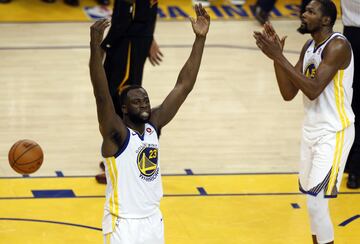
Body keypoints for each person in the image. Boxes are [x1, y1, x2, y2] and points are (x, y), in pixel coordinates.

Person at [89, 3, 210, 243]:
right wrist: (95, 46)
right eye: (137, 101)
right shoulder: (116, 133)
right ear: (123, 109)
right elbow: (101, 93)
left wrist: (200, 40)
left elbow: (183, 86)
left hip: (154, 220)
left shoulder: (154, 124)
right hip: (123, 223)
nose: (144, 103)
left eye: (145, 99)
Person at [253, 0, 354, 243]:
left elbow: (313, 89)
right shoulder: (309, 46)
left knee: (318, 205)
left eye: (311, 11)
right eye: (305, 10)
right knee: (312, 205)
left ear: (326, 20)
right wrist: (277, 59)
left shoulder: (338, 45)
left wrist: (279, 56)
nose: (304, 14)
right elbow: (288, 93)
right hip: (311, 130)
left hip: (334, 131)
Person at [95, 0, 163, 184]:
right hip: (129, 40)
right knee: (118, 101)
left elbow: (130, 16)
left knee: (122, 104)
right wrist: (149, 37)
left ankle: (124, 162)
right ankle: (119, 158)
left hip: (128, 42)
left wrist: (103, 45)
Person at [341, 0, 360, 189]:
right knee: (353, 102)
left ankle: (351, 165)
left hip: (352, 34)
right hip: (353, 34)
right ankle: (353, 167)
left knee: (354, 102)